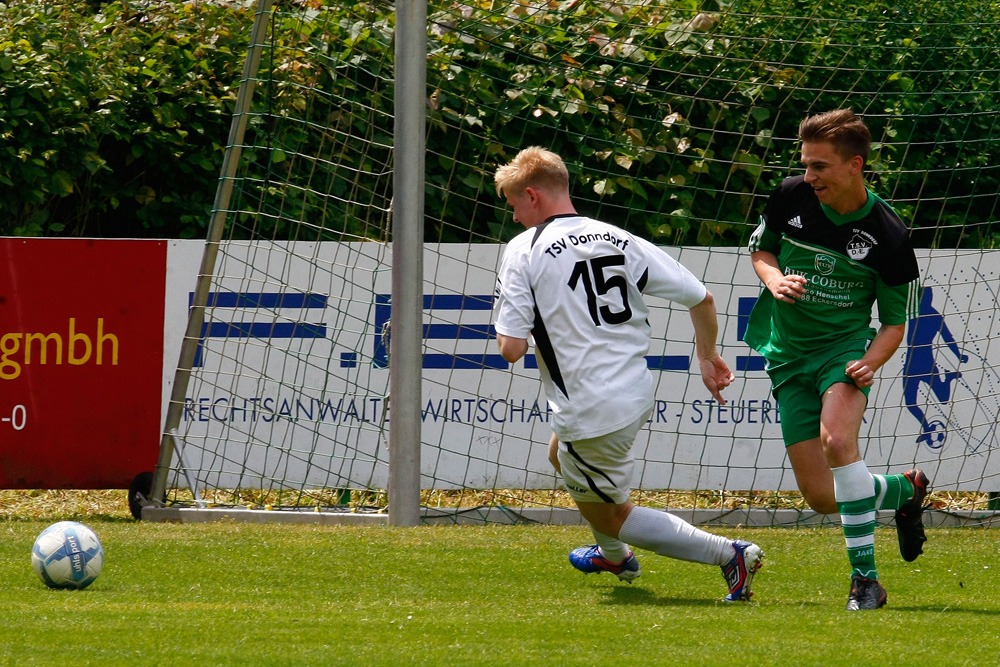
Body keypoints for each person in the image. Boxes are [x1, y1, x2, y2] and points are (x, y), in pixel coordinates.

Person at [492, 146, 763, 602]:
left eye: (515, 204)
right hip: (633, 391)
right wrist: (707, 356)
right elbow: (703, 298)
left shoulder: (525, 250)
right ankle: (612, 555)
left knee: (613, 512)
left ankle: (728, 554)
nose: (515, 217)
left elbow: (511, 349)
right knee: (561, 454)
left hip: (589, 406)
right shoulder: (617, 238)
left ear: (533, 196)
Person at [745, 109, 929, 611]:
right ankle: (902, 492)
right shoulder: (790, 196)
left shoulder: (889, 235)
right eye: (806, 164)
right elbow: (763, 254)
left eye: (820, 166)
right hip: (786, 355)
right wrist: (775, 280)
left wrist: (870, 361)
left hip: (844, 352)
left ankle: (865, 582)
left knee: (837, 440)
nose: (809, 176)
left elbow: (894, 324)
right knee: (823, 497)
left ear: (855, 165)